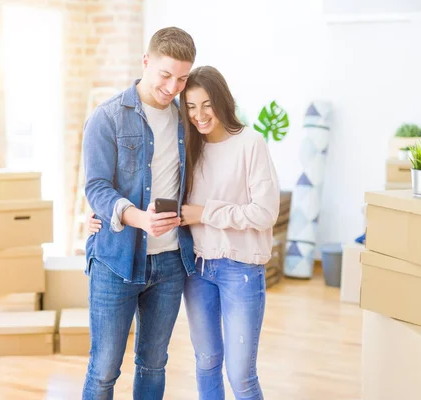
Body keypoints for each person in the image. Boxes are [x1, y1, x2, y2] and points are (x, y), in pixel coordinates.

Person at [88, 65, 280, 400]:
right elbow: (147, 183)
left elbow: (264, 213)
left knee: (240, 376)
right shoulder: (190, 144)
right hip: (197, 267)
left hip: (239, 268)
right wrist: (104, 214)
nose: (199, 115)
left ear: (223, 101)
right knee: (205, 364)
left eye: (207, 104)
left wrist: (204, 214)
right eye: (190, 106)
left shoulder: (250, 143)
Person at [81, 27, 198, 400]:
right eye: (165, 75)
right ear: (146, 62)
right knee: (103, 371)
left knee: (154, 363)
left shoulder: (186, 121)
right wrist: (137, 218)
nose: (172, 87)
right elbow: (96, 187)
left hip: (169, 264)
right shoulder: (108, 117)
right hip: (116, 260)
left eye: (182, 78)